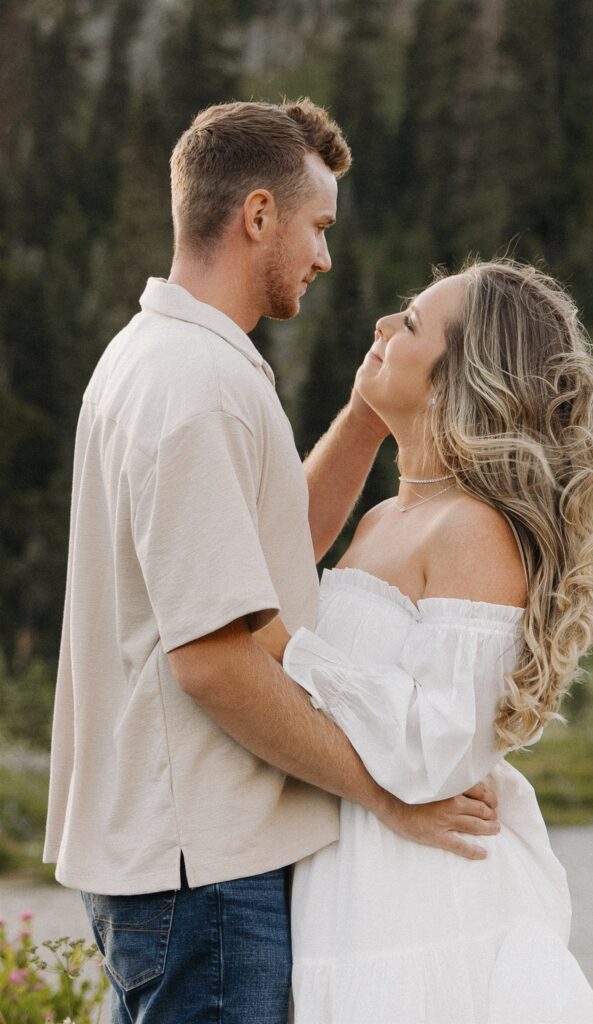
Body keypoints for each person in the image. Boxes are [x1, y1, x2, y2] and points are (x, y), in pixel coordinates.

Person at [43, 99, 499, 1024]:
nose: (324, 257)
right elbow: (212, 662)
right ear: (257, 214)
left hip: (175, 863)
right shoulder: (198, 387)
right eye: (317, 226)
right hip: (205, 870)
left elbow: (272, 546)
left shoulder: (157, 356)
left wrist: (365, 416)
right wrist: (386, 795)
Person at [254, 259, 593, 1023]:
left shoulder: (470, 528)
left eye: (408, 324)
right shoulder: (382, 520)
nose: (380, 326)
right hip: (353, 881)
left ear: (452, 381)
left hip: (426, 896)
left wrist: (288, 648)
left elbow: (437, 749)